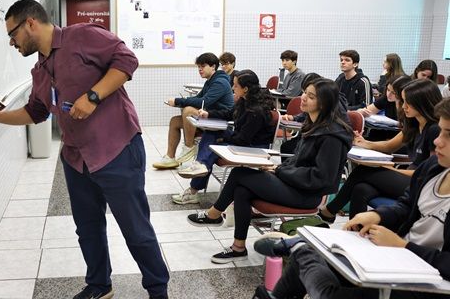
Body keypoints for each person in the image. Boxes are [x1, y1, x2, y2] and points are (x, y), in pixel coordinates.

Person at [0, 0, 169, 299]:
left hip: (116, 149)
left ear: (30, 23)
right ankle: (99, 285)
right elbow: (35, 112)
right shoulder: (40, 70)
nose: (11, 42)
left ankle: (158, 290)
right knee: (88, 228)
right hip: (77, 159)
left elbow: (127, 60)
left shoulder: (83, 36)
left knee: (135, 230)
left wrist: (93, 96)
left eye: (12, 34)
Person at [253, 96, 450, 299]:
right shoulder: (433, 169)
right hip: (398, 259)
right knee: (324, 251)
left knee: (326, 289)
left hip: (427, 278)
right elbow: (405, 206)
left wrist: (402, 245)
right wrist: (378, 217)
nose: (437, 141)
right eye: (440, 131)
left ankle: (301, 248)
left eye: (448, 135)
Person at [185, 78, 353, 264]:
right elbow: (298, 162)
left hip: (308, 194)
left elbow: (321, 178)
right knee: (242, 189)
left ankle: (214, 214)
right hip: (295, 183)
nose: (303, 98)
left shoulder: (331, 136)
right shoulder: (314, 125)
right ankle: (238, 247)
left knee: (241, 173)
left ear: (325, 103)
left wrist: (280, 171)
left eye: (310, 96)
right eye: (305, 92)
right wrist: (277, 168)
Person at [321, 78, 442, 220]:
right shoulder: (414, 124)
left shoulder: (435, 130)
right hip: (408, 177)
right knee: (361, 189)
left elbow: (431, 173)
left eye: (408, 102)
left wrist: (391, 169)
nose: (403, 106)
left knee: (362, 170)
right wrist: (363, 142)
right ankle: (355, 231)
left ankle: (328, 211)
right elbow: (389, 146)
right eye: (403, 101)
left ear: (422, 103)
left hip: (421, 184)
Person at [171, 70, 275, 204]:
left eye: (236, 86)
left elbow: (242, 140)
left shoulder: (256, 111)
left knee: (212, 148)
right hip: (242, 138)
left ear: (245, 89)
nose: (232, 88)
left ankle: (194, 186)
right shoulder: (245, 100)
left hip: (253, 146)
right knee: (211, 132)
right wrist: (208, 114)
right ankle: (200, 165)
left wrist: (222, 140)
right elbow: (229, 114)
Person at [153, 53, 234, 169]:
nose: (200, 69)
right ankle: (170, 158)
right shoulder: (210, 81)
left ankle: (189, 146)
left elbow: (203, 102)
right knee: (175, 121)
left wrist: (178, 101)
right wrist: (181, 101)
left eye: (203, 66)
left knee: (188, 110)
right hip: (210, 117)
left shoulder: (220, 82)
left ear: (213, 66)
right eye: (198, 67)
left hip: (221, 120)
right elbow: (198, 98)